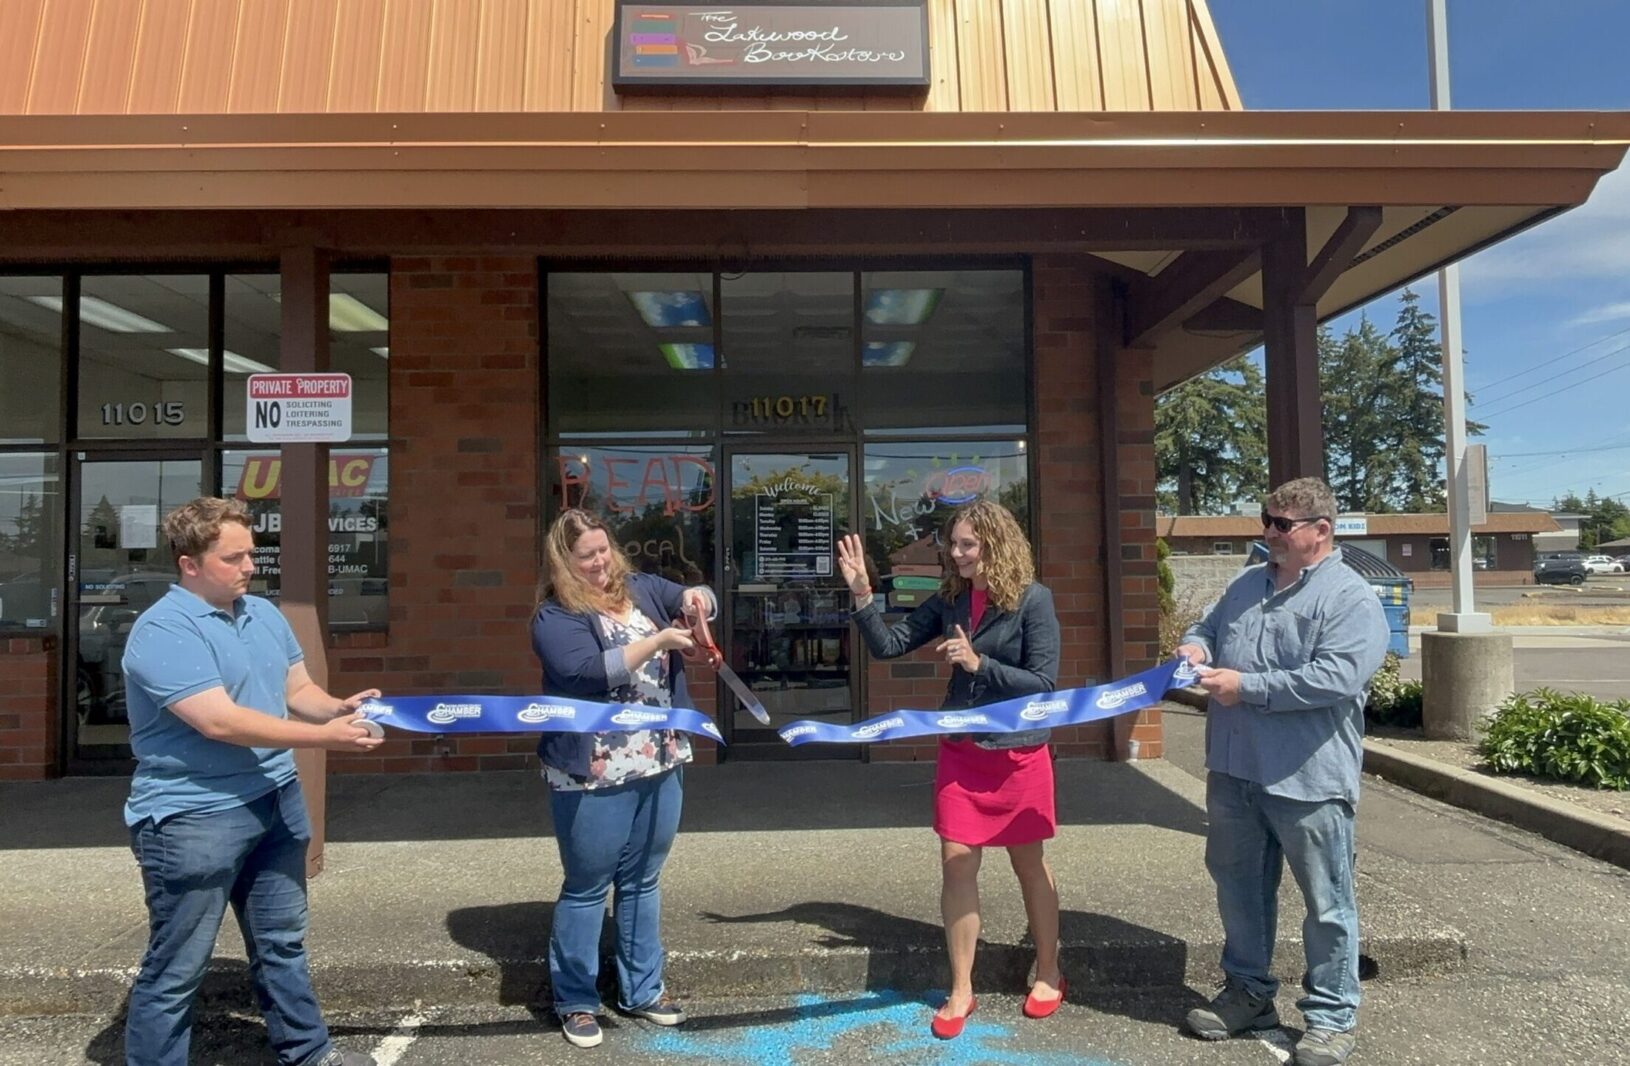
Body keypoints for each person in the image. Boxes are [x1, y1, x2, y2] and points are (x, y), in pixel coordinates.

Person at [120, 497, 384, 1066]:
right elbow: (220, 721)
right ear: (189, 563)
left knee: (281, 944)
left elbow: (297, 692)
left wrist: (340, 709)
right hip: (195, 817)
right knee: (177, 967)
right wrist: (327, 740)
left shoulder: (262, 613)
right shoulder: (162, 630)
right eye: (233, 557)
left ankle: (307, 1052)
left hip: (274, 799)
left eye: (252, 554)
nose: (249, 567)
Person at [1174, 477, 1388, 1066]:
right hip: (1235, 769)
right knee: (1239, 891)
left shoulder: (1351, 598)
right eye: (1265, 521)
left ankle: (1331, 1019)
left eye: (1281, 525)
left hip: (1310, 778)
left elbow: (1335, 678)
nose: (1267, 533)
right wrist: (1194, 648)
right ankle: (1248, 995)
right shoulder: (1247, 583)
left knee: (1327, 902)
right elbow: (1207, 629)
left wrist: (1247, 687)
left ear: (1321, 531)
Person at [834, 499, 1062, 1039]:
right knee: (957, 862)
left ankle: (1050, 970)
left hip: (1017, 753)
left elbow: (1046, 686)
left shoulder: (1035, 600)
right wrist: (862, 592)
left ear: (995, 546)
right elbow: (888, 645)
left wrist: (983, 665)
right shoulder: (951, 598)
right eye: (952, 545)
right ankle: (961, 987)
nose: (955, 554)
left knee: (1028, 862)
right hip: (962, 750)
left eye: (966, 545)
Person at [530, 508, 718, 1049]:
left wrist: (697, 599)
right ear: (563, 561)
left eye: (603, 549)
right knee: (587, 886)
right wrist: (657, 642)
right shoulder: (554, 614)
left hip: (660, 758)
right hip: (595, 769)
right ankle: (576, 1000)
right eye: (585, 556)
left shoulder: (640, 587)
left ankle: (642, 990)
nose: (598, 562)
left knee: (643, 879)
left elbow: (699, 595)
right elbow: (588, 672)